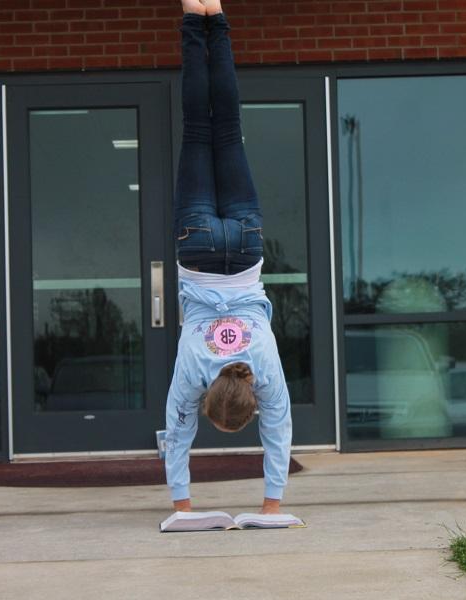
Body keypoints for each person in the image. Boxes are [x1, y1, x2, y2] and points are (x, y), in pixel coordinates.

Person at [164, 0, 293, 516]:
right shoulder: (193, 369)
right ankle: (194, 21)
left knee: (228, 126)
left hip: (242, 248)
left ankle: (217, 16)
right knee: (198, 126)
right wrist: (182, 503)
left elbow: (279, 431)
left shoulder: (262, 369)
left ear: (249, 398)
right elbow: (177, 431)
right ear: (210, 397)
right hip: (196, 250)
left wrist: (272, 504)